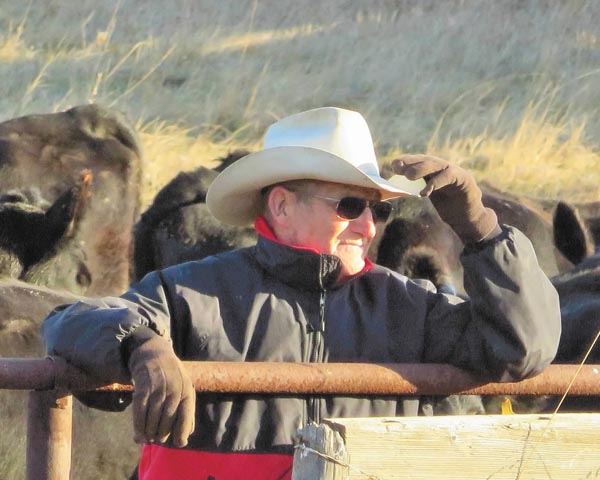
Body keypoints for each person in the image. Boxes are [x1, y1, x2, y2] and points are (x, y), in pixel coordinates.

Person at [42, 106, 561, 480]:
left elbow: (525, 348)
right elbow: (68, 320)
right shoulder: (193, 293)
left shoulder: (411, 307)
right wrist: (141, 344)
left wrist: (484, 232)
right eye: (351, 207)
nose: (369, 227)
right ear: (283, 206)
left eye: (378, 210)